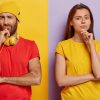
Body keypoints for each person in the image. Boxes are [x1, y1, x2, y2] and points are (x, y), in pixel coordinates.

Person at [55, 3, 100, 100]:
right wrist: (91, 76)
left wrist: (91, 45)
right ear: (71, 22)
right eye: (78, 18)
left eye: (86, 18)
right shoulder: (62, 46)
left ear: (90, 21)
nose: (83, 21)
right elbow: (61, 81)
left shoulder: (98, 45)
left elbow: (98, 73)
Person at [0, 1, 41, 100]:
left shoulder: (30, 45)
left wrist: (3, 79)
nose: (5, 22)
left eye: (9, 17)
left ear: (17, 20)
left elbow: (36, 78)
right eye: (2, 17)